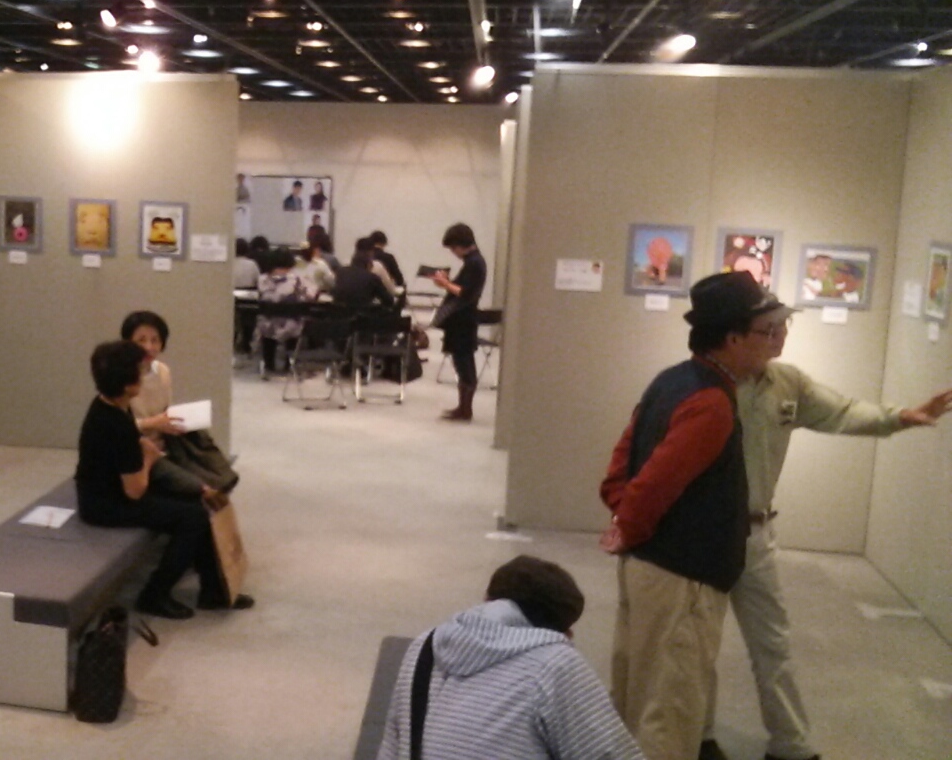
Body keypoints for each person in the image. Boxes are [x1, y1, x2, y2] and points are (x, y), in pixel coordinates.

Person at [697, 313, 952, 760]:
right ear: (736, 336)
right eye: (769, 329)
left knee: (773, 644)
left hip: (756, 533)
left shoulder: (787, 383)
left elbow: (841, 411)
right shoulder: (702, 384)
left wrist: (899, 417)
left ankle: (790, 745)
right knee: (698, 644)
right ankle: (699, 738)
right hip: (700, 536)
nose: (780, 336)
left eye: (783, 327)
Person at [599, 271, 778, 760]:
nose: (772, 344)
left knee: (637, 694)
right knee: (669, 710)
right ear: (733, 338)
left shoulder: (673, 380)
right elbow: (657, 480)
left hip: (651, 566)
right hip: (682, 579)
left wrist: (624, 517)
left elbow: (622, 462)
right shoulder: (711, 402)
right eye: (764, 332)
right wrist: (628, 523)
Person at [376, 555, 644, 760]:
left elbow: (391, 746)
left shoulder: (424, 647)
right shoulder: (554, 665)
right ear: (564, 632)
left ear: (487, 599)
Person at [75, 340, 253, 619]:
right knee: (191, 517)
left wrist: (192, 483)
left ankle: (214, 590)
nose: (143, 375)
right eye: (139, 371)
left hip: (111, 489)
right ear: (128, 384)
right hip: (104, 504)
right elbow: (135, 491)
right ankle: (154, 594)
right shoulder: (116, 424)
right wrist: (148, 457)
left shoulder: (110, 405)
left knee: (196, 503)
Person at [123, 311, 239, 497]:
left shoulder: (163, 371)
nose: (148, 347)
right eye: (141, 340)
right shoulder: (121, 377)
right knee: (195, 489)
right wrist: (153, 423)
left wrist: (176, 419)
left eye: (155, 340)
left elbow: (166, 409)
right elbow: (116, 428)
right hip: (139, 448)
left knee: (213, 465)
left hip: (168, 441)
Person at [430, 224, 486, 422]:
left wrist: (445, 284)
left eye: (453, 247)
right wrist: (448, 282)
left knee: (464, 363)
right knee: (462, 362)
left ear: (461, 244)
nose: (453, 252)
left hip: (463, 319)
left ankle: (465, 409)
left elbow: (466, 293)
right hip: (463, 319)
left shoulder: (475, 263)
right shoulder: (473, 262)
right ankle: (463, 407)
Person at [257, 248, 315, 376]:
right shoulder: (297, 279)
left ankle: (269, 364)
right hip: (291, 325)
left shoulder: (262, 279)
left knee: (268, 325)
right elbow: (311, 295)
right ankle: (290, 364)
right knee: (295, 323)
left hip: (268, 324)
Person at [334, 239, 397, 311]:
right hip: (362, 315)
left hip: (340, 314)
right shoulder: (372, 278)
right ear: (369, 263)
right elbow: (389, 301)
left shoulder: (341, 272)